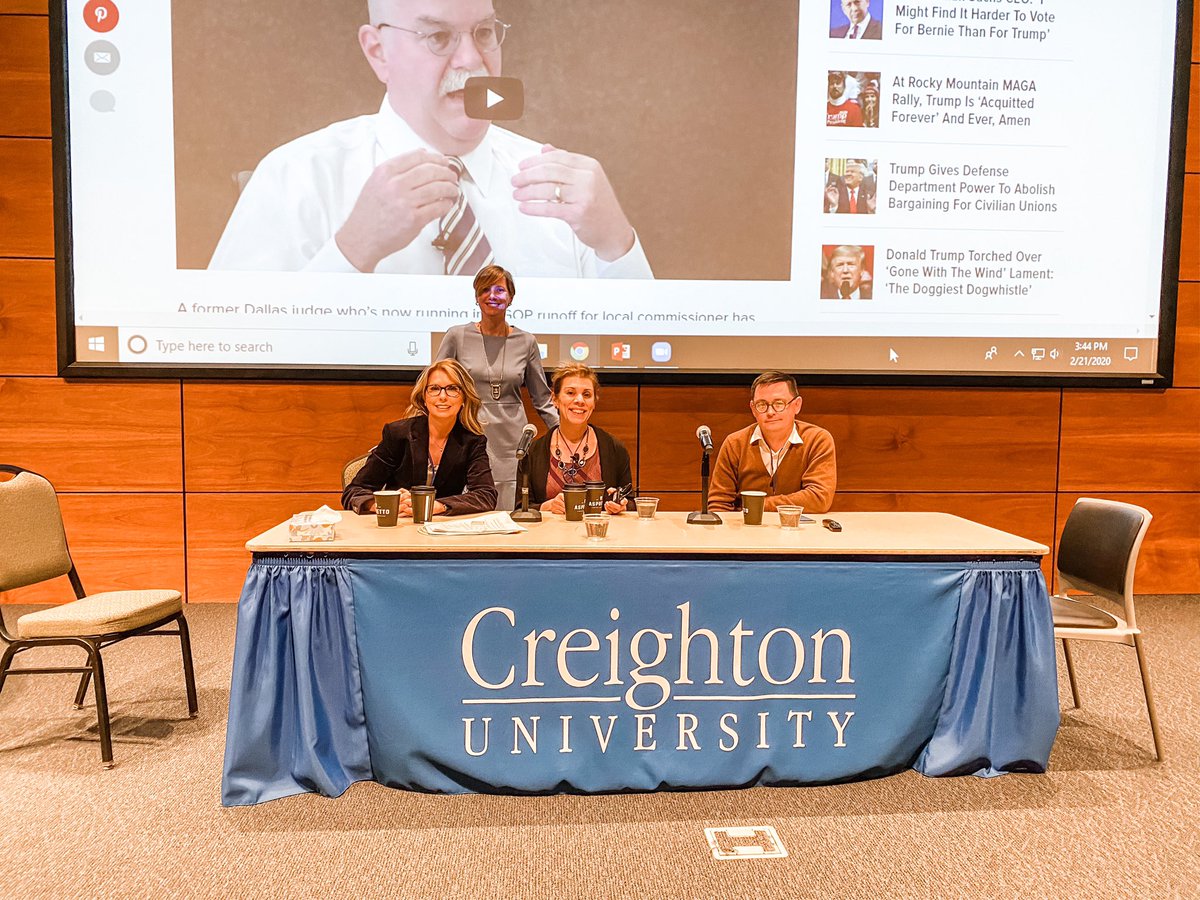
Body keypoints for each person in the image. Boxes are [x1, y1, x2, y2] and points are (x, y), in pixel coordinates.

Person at [210, 0, 652, 280]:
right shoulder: (298, 176)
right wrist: (352, 251)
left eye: (483, 33)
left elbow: (640, 365)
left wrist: (617, 244)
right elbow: (223, 352)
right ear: (377, 51)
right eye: (438, 37)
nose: (473, 61)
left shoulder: (558, 184)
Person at [435, 264, 557, 509]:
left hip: (513, 440)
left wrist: (564, 434)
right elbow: (436, 386)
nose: (492, 296)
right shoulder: (456, 336)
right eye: (485, 290)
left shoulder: (526, 341)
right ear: (477, 297)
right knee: (471, 504)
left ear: (511, 297)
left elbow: (542, 399)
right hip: (469, 432)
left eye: (499, 290)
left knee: (509, 507)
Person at [342, 358, 497, 516]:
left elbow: (486, 495)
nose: (442, 396)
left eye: (452, 389)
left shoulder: (472, 441)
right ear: (424, 397)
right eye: (434, 388)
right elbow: (354, 492)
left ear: (464, 397)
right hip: (398, 528)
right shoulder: (397, 434)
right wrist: (385, 505)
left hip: (442, 530)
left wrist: (437, 506)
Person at [708, 371, 837, 514]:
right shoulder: (735, 443)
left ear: (797, 405)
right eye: (762, 405)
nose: (770, 412)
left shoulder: (818, 440)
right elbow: (718, 504)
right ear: (753, 409)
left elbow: (819, 498)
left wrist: (757, 506)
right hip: (746, 532)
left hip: (800, 533)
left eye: (779, 404)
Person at [524, 364, 632, 514]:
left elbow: (630, 502)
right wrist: (547, 506)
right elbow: (521, 507)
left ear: (594, 402)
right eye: (570, 393)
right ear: (554, 399)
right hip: (549, 536)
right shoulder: (533, 451)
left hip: (597, 534)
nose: (579, 400)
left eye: (587, 395)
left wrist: (621, 505)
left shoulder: (615, 448)